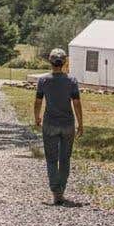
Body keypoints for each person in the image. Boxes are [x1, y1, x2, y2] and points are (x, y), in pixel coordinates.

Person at [34, 48, 83, 205]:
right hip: (68, 124)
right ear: (64, 62)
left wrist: (37, 117)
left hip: (50, 124)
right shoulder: (72, 81)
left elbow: (38, 101)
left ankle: (56, 192)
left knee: (51, 159)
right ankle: (61, 190)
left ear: (50, 61)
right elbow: (76, 103)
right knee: (65, 159)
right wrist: (80, 123)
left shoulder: (43, 81)